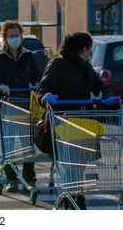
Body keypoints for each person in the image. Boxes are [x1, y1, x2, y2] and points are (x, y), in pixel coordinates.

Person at [37, 31, 116, 209]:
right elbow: (44, 87)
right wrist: (46, 96)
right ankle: (73, 197)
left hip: (84, 123)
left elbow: (101, 87)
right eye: (90, 49)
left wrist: (109, 98)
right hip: (63, 122)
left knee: (78, 164)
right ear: (84, 49)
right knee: (69, 163)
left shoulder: (86, 67)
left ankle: (74, 195)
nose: (91, 52)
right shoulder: (58, 64)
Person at [0, 20, 42, 192]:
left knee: (28, 145)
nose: (15, 38)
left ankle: (29, 178)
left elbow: (38, 77)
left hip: (25, 108)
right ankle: (12, 179)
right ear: (5, 38)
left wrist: (37, 85)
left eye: (17, 36)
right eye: (11, 36)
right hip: (4, 108)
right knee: (9, 146)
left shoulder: (28, 56)